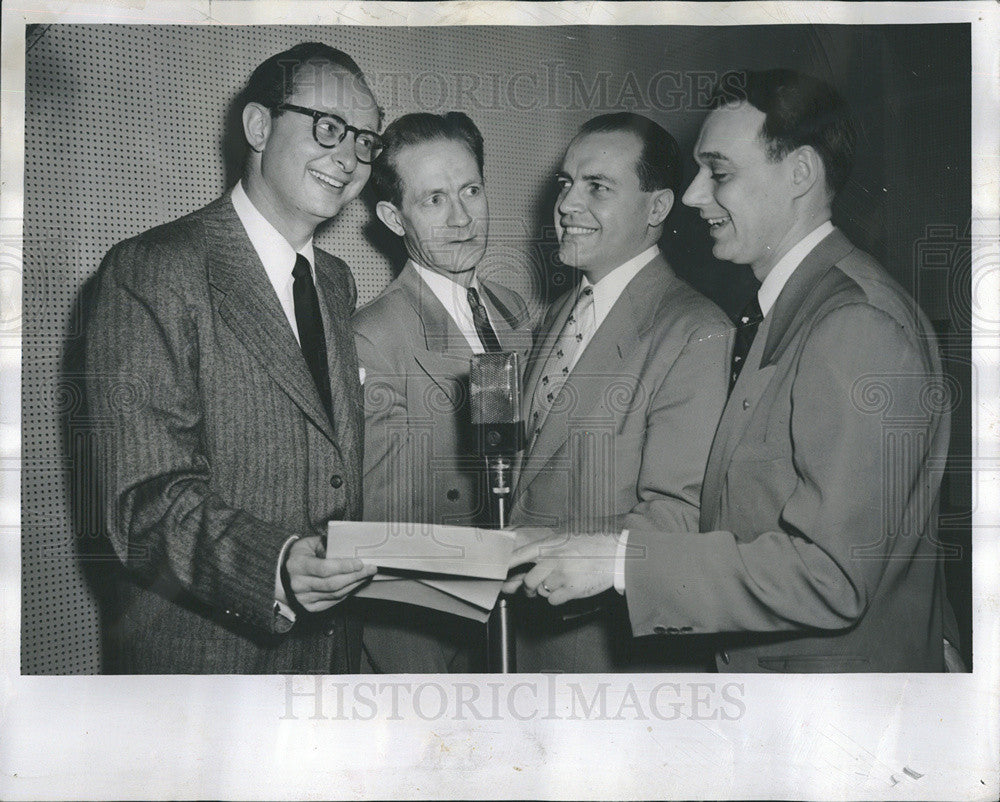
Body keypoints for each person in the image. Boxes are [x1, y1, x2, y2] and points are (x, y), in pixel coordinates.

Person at [506, 69, 955, 672]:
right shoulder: (784, 312)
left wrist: (619, 561)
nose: (692, 197)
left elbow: (831, 576)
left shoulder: (855, 323)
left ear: (799, 174)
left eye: (719, 173)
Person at [86, 43, 383, 673]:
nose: (349, 156)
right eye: (328, 128)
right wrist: (275, 563)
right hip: (210, 670)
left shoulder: (335, 279)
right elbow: (140, 501)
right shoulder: (151, 270)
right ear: (258, 126)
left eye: (365, 140)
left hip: (328, 664)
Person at [507, 112, 732, 672]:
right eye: (566, 184)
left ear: (657, 208)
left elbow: (678, 514)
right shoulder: (560, 313)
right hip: (526, 649)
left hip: (605, 658)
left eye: (597, 188)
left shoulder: (695, 330)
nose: (566, 205)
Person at [353, 111, 532, 673]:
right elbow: (386, 537)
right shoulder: (372, 338)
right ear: (393, 216)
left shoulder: (517, 312)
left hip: (527, 633)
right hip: (436, 646)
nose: (461, 218)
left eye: (471, 191)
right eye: (433, 200)